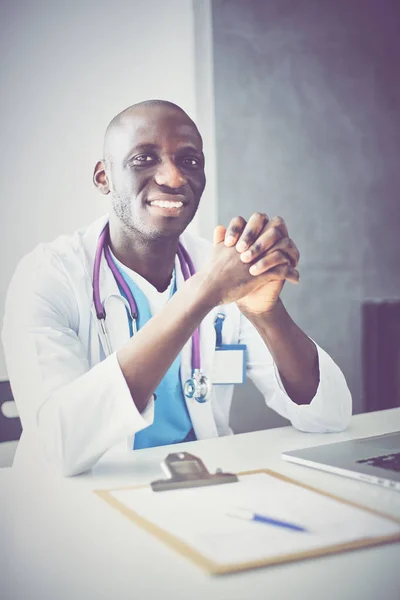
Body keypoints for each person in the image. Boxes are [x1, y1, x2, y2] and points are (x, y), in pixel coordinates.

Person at [1, 100, 351, 476]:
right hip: (83, 505)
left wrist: (266, 313)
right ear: (104, 177)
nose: (173, 178)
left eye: (190, 161)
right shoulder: (49, 274)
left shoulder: (218, 265)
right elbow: (60, 444)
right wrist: (205, 292)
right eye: (144, 159)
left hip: (203, 491)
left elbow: (328, 416)